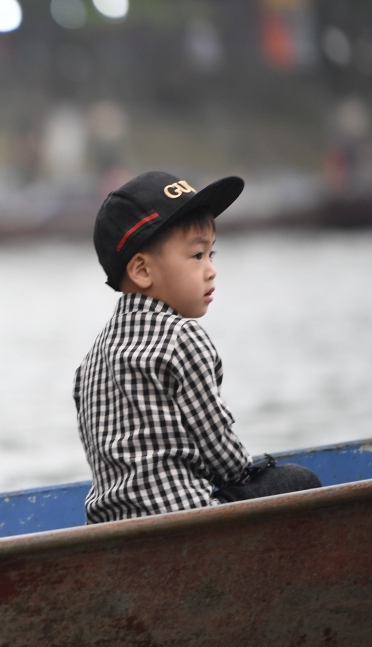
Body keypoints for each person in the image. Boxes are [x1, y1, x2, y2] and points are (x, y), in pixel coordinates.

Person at [75, 171, 321, 524]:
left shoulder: (90, 361)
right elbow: (223, 456)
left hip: (109, 527)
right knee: (299, 481)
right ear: (142, 270)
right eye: (196, 256)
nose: (211, 271)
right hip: (184, 522)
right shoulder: (181, 337)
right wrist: (249, 471)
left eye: (211, 254)